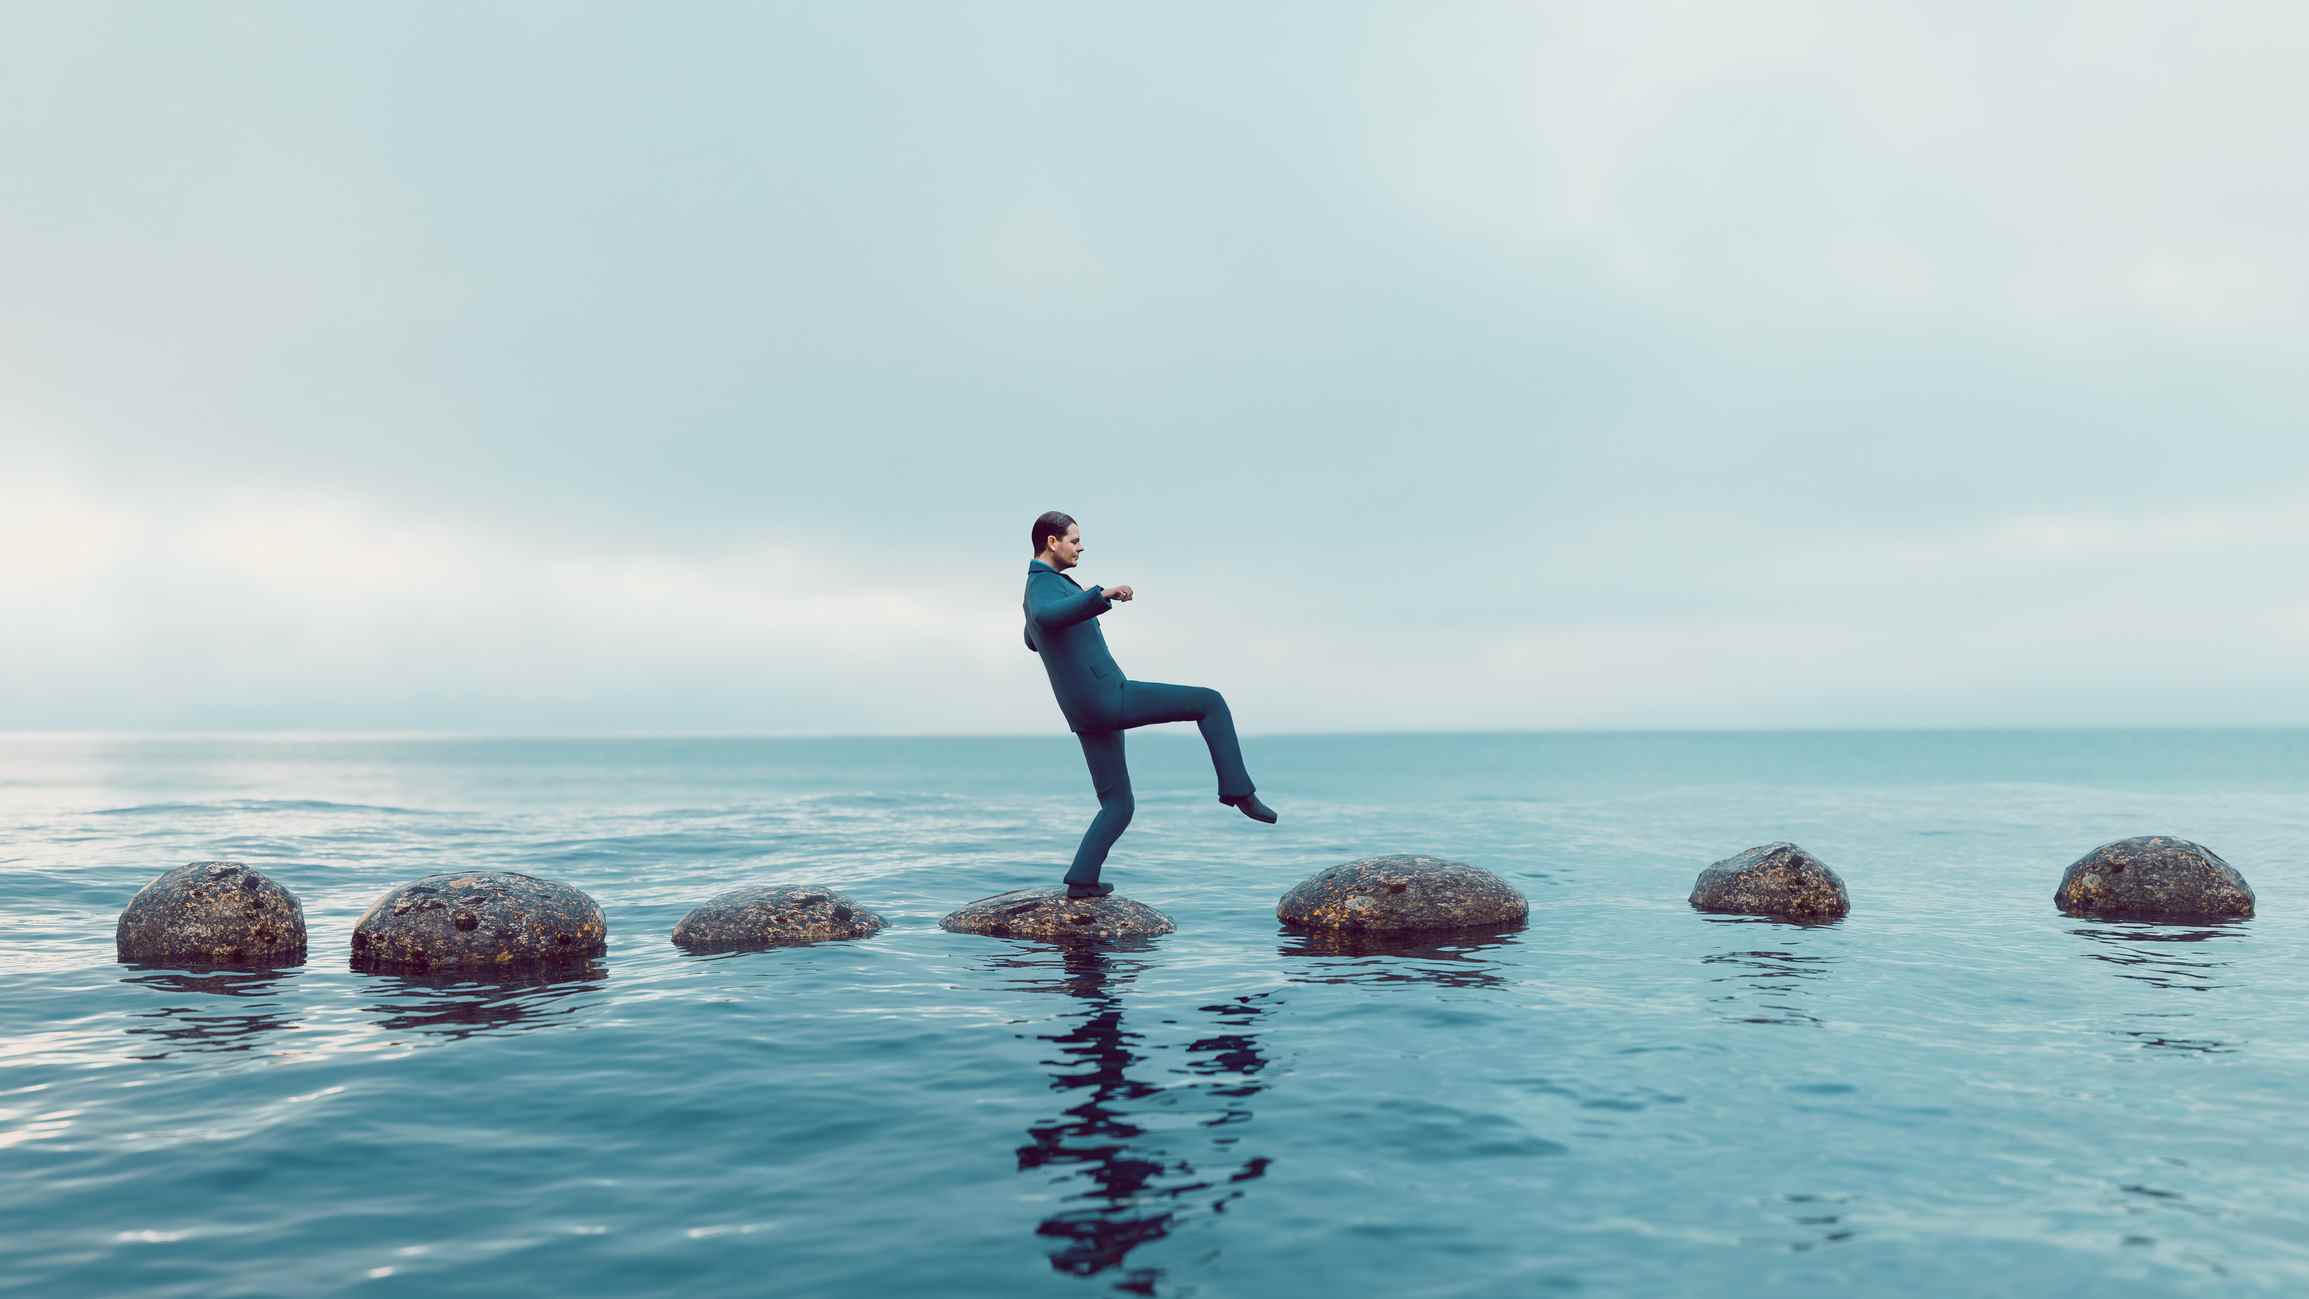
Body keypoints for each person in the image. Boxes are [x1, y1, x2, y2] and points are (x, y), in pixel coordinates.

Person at [1022, 510, 1277, 899]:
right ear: (1052, 542)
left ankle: (1082, 879)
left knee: (1118, 804)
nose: (1081, 546)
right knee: (1209, 702)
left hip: (1085, 711)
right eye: (1074, 540)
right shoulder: (1042, 586)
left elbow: (1032, 633)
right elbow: (1044, 615)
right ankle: (1238, 790)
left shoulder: (1043, 587)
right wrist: (1100, 594)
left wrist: (1051, 628)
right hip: (1107, 698)